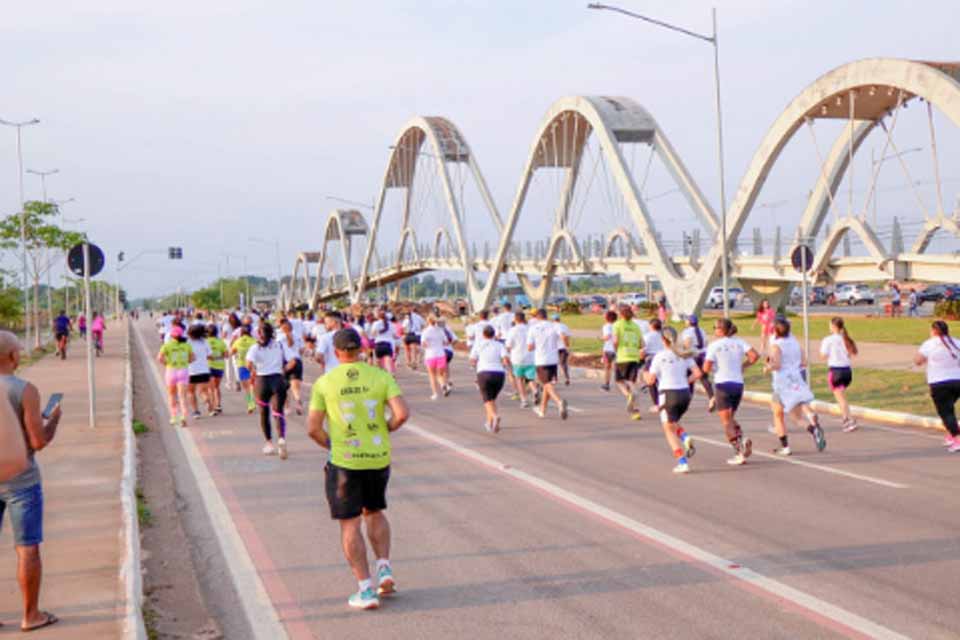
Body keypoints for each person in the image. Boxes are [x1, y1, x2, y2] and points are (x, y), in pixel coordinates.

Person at [306, 328, 409, 610]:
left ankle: (365, 589)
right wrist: (384, 432)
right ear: (362, 349)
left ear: (337, 352)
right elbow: (401, 414)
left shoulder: (325, 383)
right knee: (374, 511)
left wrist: (333, 445)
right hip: (378, 456)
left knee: (350, 523)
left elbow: (313, 429)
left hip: (345, 460)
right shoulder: (381, 376)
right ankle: (385, 568)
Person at [0, 331, 62, 632]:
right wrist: (53, 423)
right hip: (21, 480)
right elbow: (37, 442)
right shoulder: (25, 390)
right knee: (27, 548)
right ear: (12, 356)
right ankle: (30, 615)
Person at [764, 316, 826, 456]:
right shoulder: (794, 342)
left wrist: (768, 367)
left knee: (778, 416)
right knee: (796, 417)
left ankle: (785, 446)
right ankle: (813, 429)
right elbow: (804, 362)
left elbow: (777, 365)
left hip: (782, 384)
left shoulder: (776, 345)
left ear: (775, 330)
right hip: (796, 380)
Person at [643, 327, 700, 474]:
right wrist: (687, 381)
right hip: (685, 394)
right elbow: (698, 373)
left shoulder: (659, 356)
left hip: (668, 394)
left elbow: (650, 381)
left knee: (668, 429)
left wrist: (644, 373)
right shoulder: (683, 354)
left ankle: (682, 461)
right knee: (673, 422)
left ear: (663, 339)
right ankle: (685, 438)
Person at [703, 318, 760, 465]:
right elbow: (755, 356)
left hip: (723, 384)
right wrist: (743, 366)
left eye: (715, 327)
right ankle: (742, 439)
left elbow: (706, 368)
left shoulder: (714, 345)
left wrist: (713, 367)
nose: (714, 330)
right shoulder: (739, 342)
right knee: (731, 417)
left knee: (726, 422)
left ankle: (738, 450)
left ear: (721, 330)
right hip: (738, 385)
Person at [914, 320, 960, 452]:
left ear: (933, 331)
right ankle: (952, 434)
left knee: (946, 412)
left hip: (939, 383)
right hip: (957, 380)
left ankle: (957, 437)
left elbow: (917, 361)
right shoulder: (956, 342)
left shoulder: (929, 344)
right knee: (948, 409)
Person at [246, 323, 289, 459]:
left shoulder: (254, 347)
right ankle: (281, 438)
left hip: (262, 381)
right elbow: (288, 360)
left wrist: (253, 372)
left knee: (264, 414)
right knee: (278, 412)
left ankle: (269, 443)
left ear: (258, 334)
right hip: (277, 379)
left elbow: (248, 364)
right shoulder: (279, 345)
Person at [526, 308, 568, 419]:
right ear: (546, 316)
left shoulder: (533, 328)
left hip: (541, 360)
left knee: (546, 384)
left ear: (537, 317)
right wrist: (566, 344)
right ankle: (542, 410)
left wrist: (537, 345)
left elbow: (530, 347)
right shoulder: (554, 326)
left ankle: (559, 402)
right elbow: (563, 336)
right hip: (553, 360)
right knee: (547, 385)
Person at [469, 325, 511, 432]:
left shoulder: (478, 344)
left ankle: (494, 416)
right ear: (494, 334)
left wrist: (474, 366)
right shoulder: (499, 345)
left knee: (487, 400)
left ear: (483, 334)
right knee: (492, 399)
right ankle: (490, 423)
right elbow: (506, 359)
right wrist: (508, 368)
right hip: (499, 374)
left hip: (484, 373)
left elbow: (472, 360)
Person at [820, 317, 858, 432]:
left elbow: (823, 356)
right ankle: (850, 418)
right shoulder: (846, 339)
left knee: (840, 399)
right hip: (847, 371)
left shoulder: (828, 340)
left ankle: (846, 420)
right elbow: (851, 353)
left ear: (833, 326)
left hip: (836, 371)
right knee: (842, 397)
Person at [612, 305, 644, 420]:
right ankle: (636, 412)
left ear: (620, 314)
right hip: (634, 357)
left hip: (622, 356)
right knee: (632, 382)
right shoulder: (636, 326)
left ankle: (628, 395)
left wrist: (615, 350)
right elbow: (642, 344)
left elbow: (615, 341)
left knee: (619, 381)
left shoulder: (617, 325)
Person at [157, 325, 194, 426]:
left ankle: (174, 417)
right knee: (183, 396)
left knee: (172, 395)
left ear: (171, 335)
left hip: (171, 371)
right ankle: (184, 416)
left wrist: (167, 364)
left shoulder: (167, 345)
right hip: (183, 371)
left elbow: (160, 358)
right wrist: (184, 362)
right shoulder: (187, 346)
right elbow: (192, 358)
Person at [680, 315, 714, 409]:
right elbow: (706, 343)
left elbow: (687, 343)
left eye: (686, 321)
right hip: (703, 355)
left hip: (693, 355)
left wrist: (684, 350)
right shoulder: (702, 330)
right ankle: (711, 397)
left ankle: (687, 399)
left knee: (689, 377)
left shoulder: (687, 332)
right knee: (703, 377)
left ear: (689, 322)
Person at [420, 315, 451, 400]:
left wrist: (427, 345)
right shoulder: (440, 330)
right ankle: (444, 386)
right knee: (440, 374)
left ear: (428, 321)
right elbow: (446, 342)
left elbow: (423, 344)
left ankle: (435, 394)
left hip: (430, 355)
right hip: (441, 354)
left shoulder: (425, 331)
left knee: (432, 376)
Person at [279, 318, 305, 415]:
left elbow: (278, 351)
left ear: (283, 328)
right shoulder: (298, 336)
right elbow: (302, 350)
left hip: (285, 362)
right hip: (297, 361)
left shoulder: (280, 337)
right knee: (296, 388)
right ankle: (298, 401)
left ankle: (287, 407)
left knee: (284, 387)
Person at [186, 324, 213, 419]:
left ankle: (196, 412)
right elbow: (210, 356)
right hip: (204, 370)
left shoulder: (187, 343)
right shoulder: (205, 342)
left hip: (191, 371)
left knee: (190, 392)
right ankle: (207, 402)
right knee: (203, 391)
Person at [231, 325, 257, 414]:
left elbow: (232, 352)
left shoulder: (237, 341)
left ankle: (250, 403)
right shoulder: (254, 341)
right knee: (252, 385)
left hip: (241, 365)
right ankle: (253, 401)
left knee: (246, 387)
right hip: (253, 365)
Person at [640, 319, 665, 412]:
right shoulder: (663, 336)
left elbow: (643, 350)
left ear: (651, 326)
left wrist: (640, 358)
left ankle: (657, 404)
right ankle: (664, 402)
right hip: (663, 358)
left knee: (651, 382)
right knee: (662, 381)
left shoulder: (647, 336)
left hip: (651, 359)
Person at [206, 324, 228, 416]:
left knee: (210, 388)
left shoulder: (205, 342)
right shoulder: (221, 342)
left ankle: (213, 407)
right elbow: (226, 355)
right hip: (219, 366)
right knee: (216, 387)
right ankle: (218, 405)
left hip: (208, 366)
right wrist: (218, 356)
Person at [314, 311, 344, 375]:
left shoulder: (325, 337)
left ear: (333, 322)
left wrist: (321, 361)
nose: (325, 325)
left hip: (331, 372)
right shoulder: (351, 334)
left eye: (326, 322)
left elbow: (318, 356)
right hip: (348, 373)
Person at [551, 313, 572, 385]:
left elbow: (563, 336)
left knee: (554, 363)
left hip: (554, 347)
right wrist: (567, 346)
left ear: (552, 320)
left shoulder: (552, 326)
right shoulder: (564, 326)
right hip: (563, 347)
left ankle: (555, 379)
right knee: (563, 363)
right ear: (559, 319)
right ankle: (567, 378)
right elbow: (567, 337)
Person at [600, 309, 617, 392]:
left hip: (608, 349)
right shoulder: (618, 325)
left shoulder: (606, 326)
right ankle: (624, 382)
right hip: (617, 349)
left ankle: (606, 384)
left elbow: (607, 336)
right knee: (617, 367)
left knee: (607, 367)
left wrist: (601, 338)